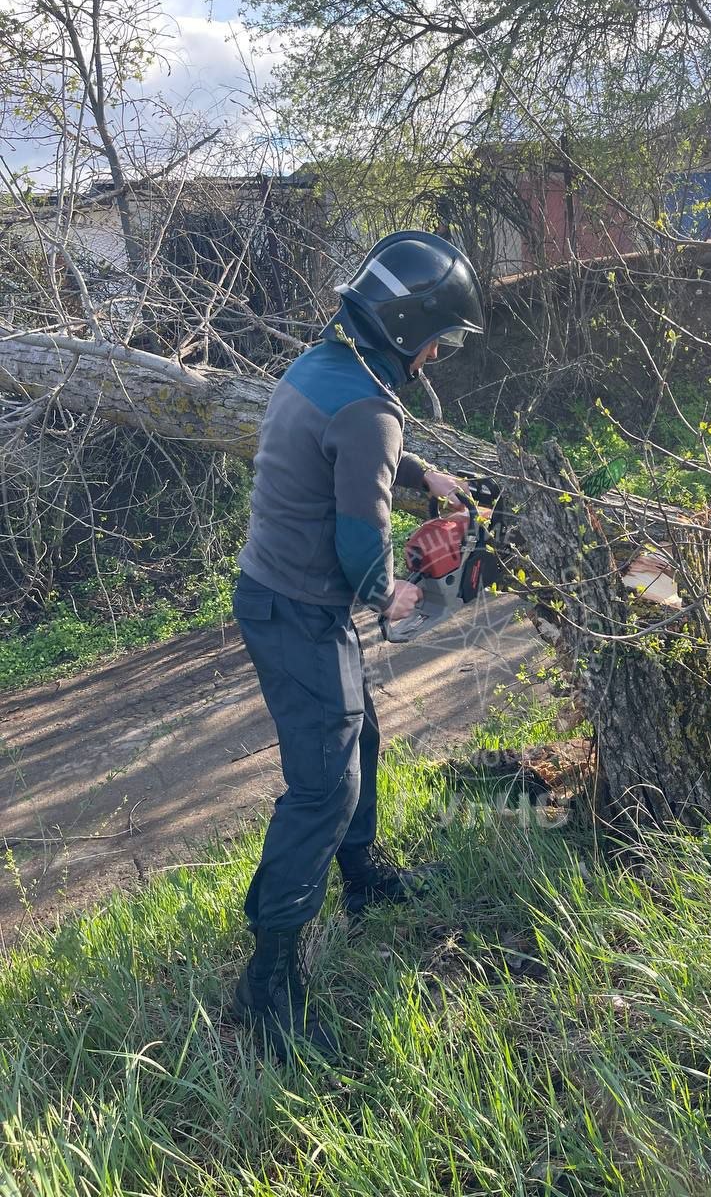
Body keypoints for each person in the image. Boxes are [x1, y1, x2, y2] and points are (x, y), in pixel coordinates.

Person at [230, 230, 484, 1059]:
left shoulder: (330, 361)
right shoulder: (370, 403)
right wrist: (393, 590)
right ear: (408, 325)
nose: (442, 353)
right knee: (321, 789)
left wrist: (425, 477)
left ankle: (363, 881)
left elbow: (356, 450)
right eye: (440, 337)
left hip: (282, 596)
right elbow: (358, 543)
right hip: (299, 609)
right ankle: (268, 982)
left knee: (358, 737)